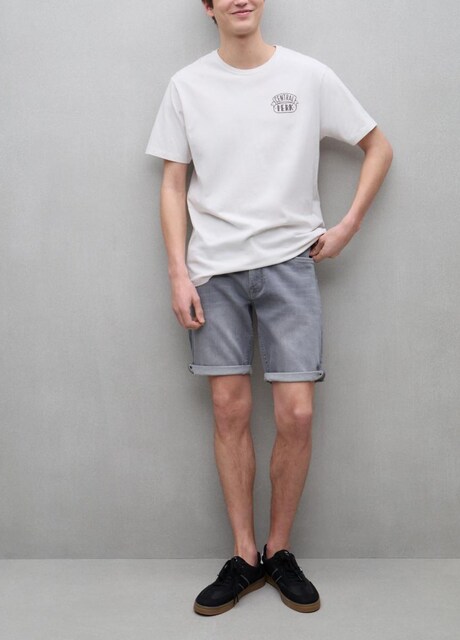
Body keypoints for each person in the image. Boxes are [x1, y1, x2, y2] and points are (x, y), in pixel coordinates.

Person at [145, 0, 393, 617]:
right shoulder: (187, 85)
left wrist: (347, 226)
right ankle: (244, 556)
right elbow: (173, 182)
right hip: (213, 271)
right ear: (208, 7)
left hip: (290, 265)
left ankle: (279, 551)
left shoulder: (307, 76)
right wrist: (177, 272)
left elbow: (379, 146)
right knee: (229, 410)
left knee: (297, 414)